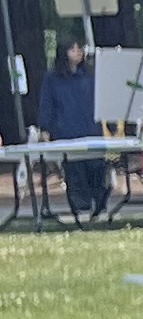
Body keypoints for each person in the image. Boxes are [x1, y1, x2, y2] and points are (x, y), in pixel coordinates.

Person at [38, 38, 106, 221]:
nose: (77, 52)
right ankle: (81, 209)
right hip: (66, 131)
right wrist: (45, 128)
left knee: (97, 169)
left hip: (91, 130)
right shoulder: (52, 78)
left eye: (79, 48)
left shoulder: (90, 75)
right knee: (75, 172)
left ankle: (100, 207)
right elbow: (47, 103)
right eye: (72, 49)